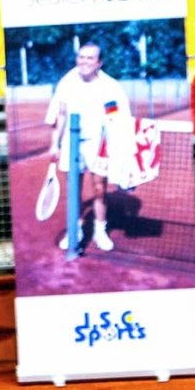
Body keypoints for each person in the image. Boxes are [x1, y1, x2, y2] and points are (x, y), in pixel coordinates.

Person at [45, 42, 133, 253]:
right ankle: (75, 230)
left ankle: (100, 231)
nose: (83, 62)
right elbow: (61, 114)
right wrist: (54, 144)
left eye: (89, 58)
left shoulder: (110, 87)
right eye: (81, 57)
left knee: (99, 188)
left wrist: (116, 149)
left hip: (98, 143)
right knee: (73, 188)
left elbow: (114, 118)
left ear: (99, 63)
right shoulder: (66, 82)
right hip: (70, 142)